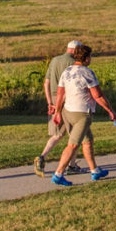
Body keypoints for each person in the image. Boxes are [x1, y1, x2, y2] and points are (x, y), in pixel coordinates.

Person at [49, 43, 116, 187]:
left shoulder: (67, 71)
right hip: (82, 114)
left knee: (88, 140)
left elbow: (60, 94)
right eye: (90, 56)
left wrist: (58, 112)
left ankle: (95, 171)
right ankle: (58, 174)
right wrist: (110, 110)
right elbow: (97, 95)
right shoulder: (87, 73)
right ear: (86, 58)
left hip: (68, 112)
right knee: (73, 145)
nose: (91, 59)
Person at [34, 39, 83, 177]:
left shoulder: (54, 60)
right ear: (75, 50)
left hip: (54, 99)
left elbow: (46, 83)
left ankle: (42, 157)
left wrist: (50, 103)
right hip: (67, 100)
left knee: (57, 134)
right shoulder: (74, 63)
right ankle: (71, 165)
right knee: (75, 134)